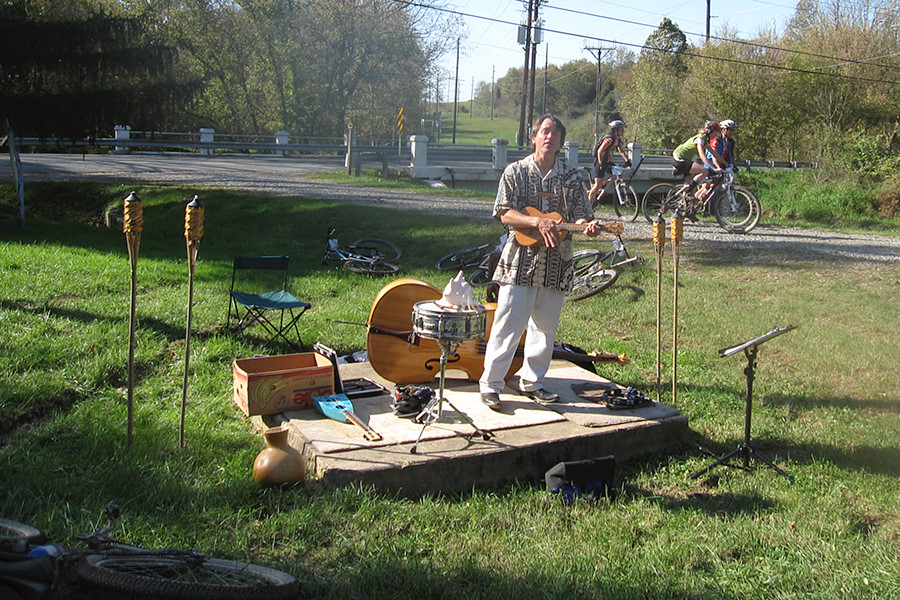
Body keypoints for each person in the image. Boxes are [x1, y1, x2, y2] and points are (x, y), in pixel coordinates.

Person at [479, 114, 605, 410]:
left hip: (557, 263)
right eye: (544, 131)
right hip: (518, 263)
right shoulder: (515, 172)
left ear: (561, 141)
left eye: (555, 133)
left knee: (545, 328)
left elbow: (581, 213)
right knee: (508, 324)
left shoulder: (573, 176)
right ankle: (491, 384)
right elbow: (502, 212)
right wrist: (536, 221)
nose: (550, 136)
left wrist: (587, 224)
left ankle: (532, 383)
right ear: (535, 137)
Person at [671, 120, 726, 197]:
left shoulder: (705, 140)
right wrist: (713, 168)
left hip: (685, 160)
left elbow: (715, 154)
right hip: (679, 159)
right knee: (704, 171)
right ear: (710, 131)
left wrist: (726, 164)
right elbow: (702, 156)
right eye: (716, 133)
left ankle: (688, 204)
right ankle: (687, 191)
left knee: (693, 192)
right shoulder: (699, 139)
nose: (716, 135)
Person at [587, 120, 631, 204]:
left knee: (620, 173)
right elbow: (599, 151)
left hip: (607, 163)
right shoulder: (609, 139)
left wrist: (627, 161)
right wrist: (600, 163)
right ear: (615, 130)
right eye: (621, 130)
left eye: (623, 129)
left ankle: (605, 184)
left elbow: (621, 151)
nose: (623, 131)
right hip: (600, 163)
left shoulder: (617, 140)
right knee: (597, 185)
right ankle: (588, 204)